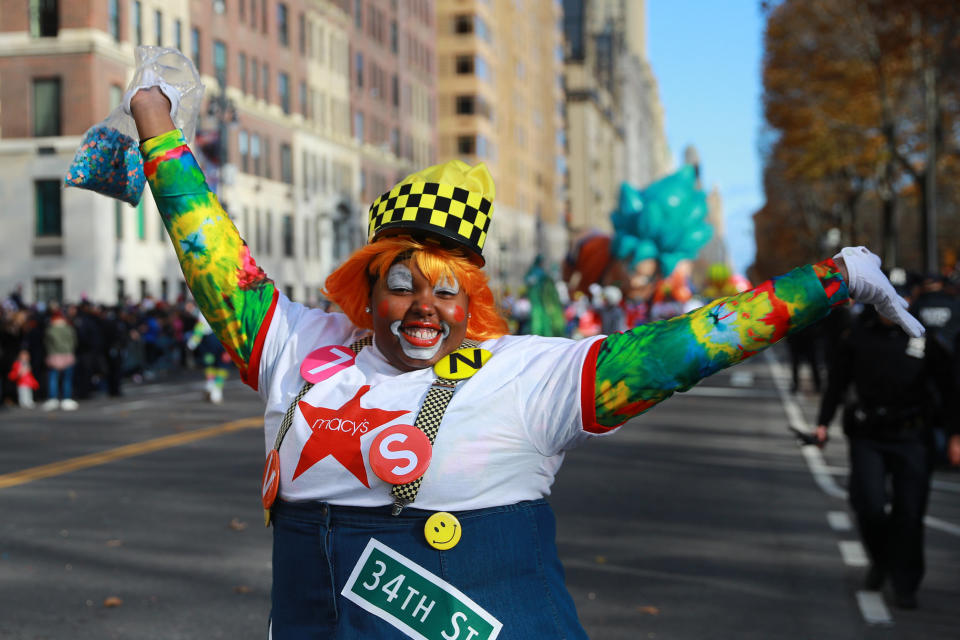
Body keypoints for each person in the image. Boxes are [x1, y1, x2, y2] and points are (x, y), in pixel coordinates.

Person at [128, 79, 923, 639]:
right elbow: (211, 252)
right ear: (367, 289)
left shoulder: (527, 374)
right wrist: (155, 120)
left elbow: (685, 345)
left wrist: (831, 278)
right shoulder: (299, 345)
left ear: (471, 298)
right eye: (403, 285)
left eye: (449, 291)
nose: (425, 310)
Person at [815, 303, 960, 610]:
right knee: (869, 504)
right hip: (869, 435)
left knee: (910, 512)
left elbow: (949, 390)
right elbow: (837, 383)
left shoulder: (922, 337)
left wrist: (955, 435)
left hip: (912, 436)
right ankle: (881, 560)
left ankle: (905, 583)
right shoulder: (857, 335)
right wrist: (823, 423)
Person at [43, 309, 78, 411]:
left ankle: (53, 398)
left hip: (54, 355)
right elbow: (74, 342)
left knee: (53, 378)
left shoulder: (50, 329)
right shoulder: (69, 328)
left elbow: (47, 343)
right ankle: (66, 398)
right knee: (67, 379)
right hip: (67, 355)